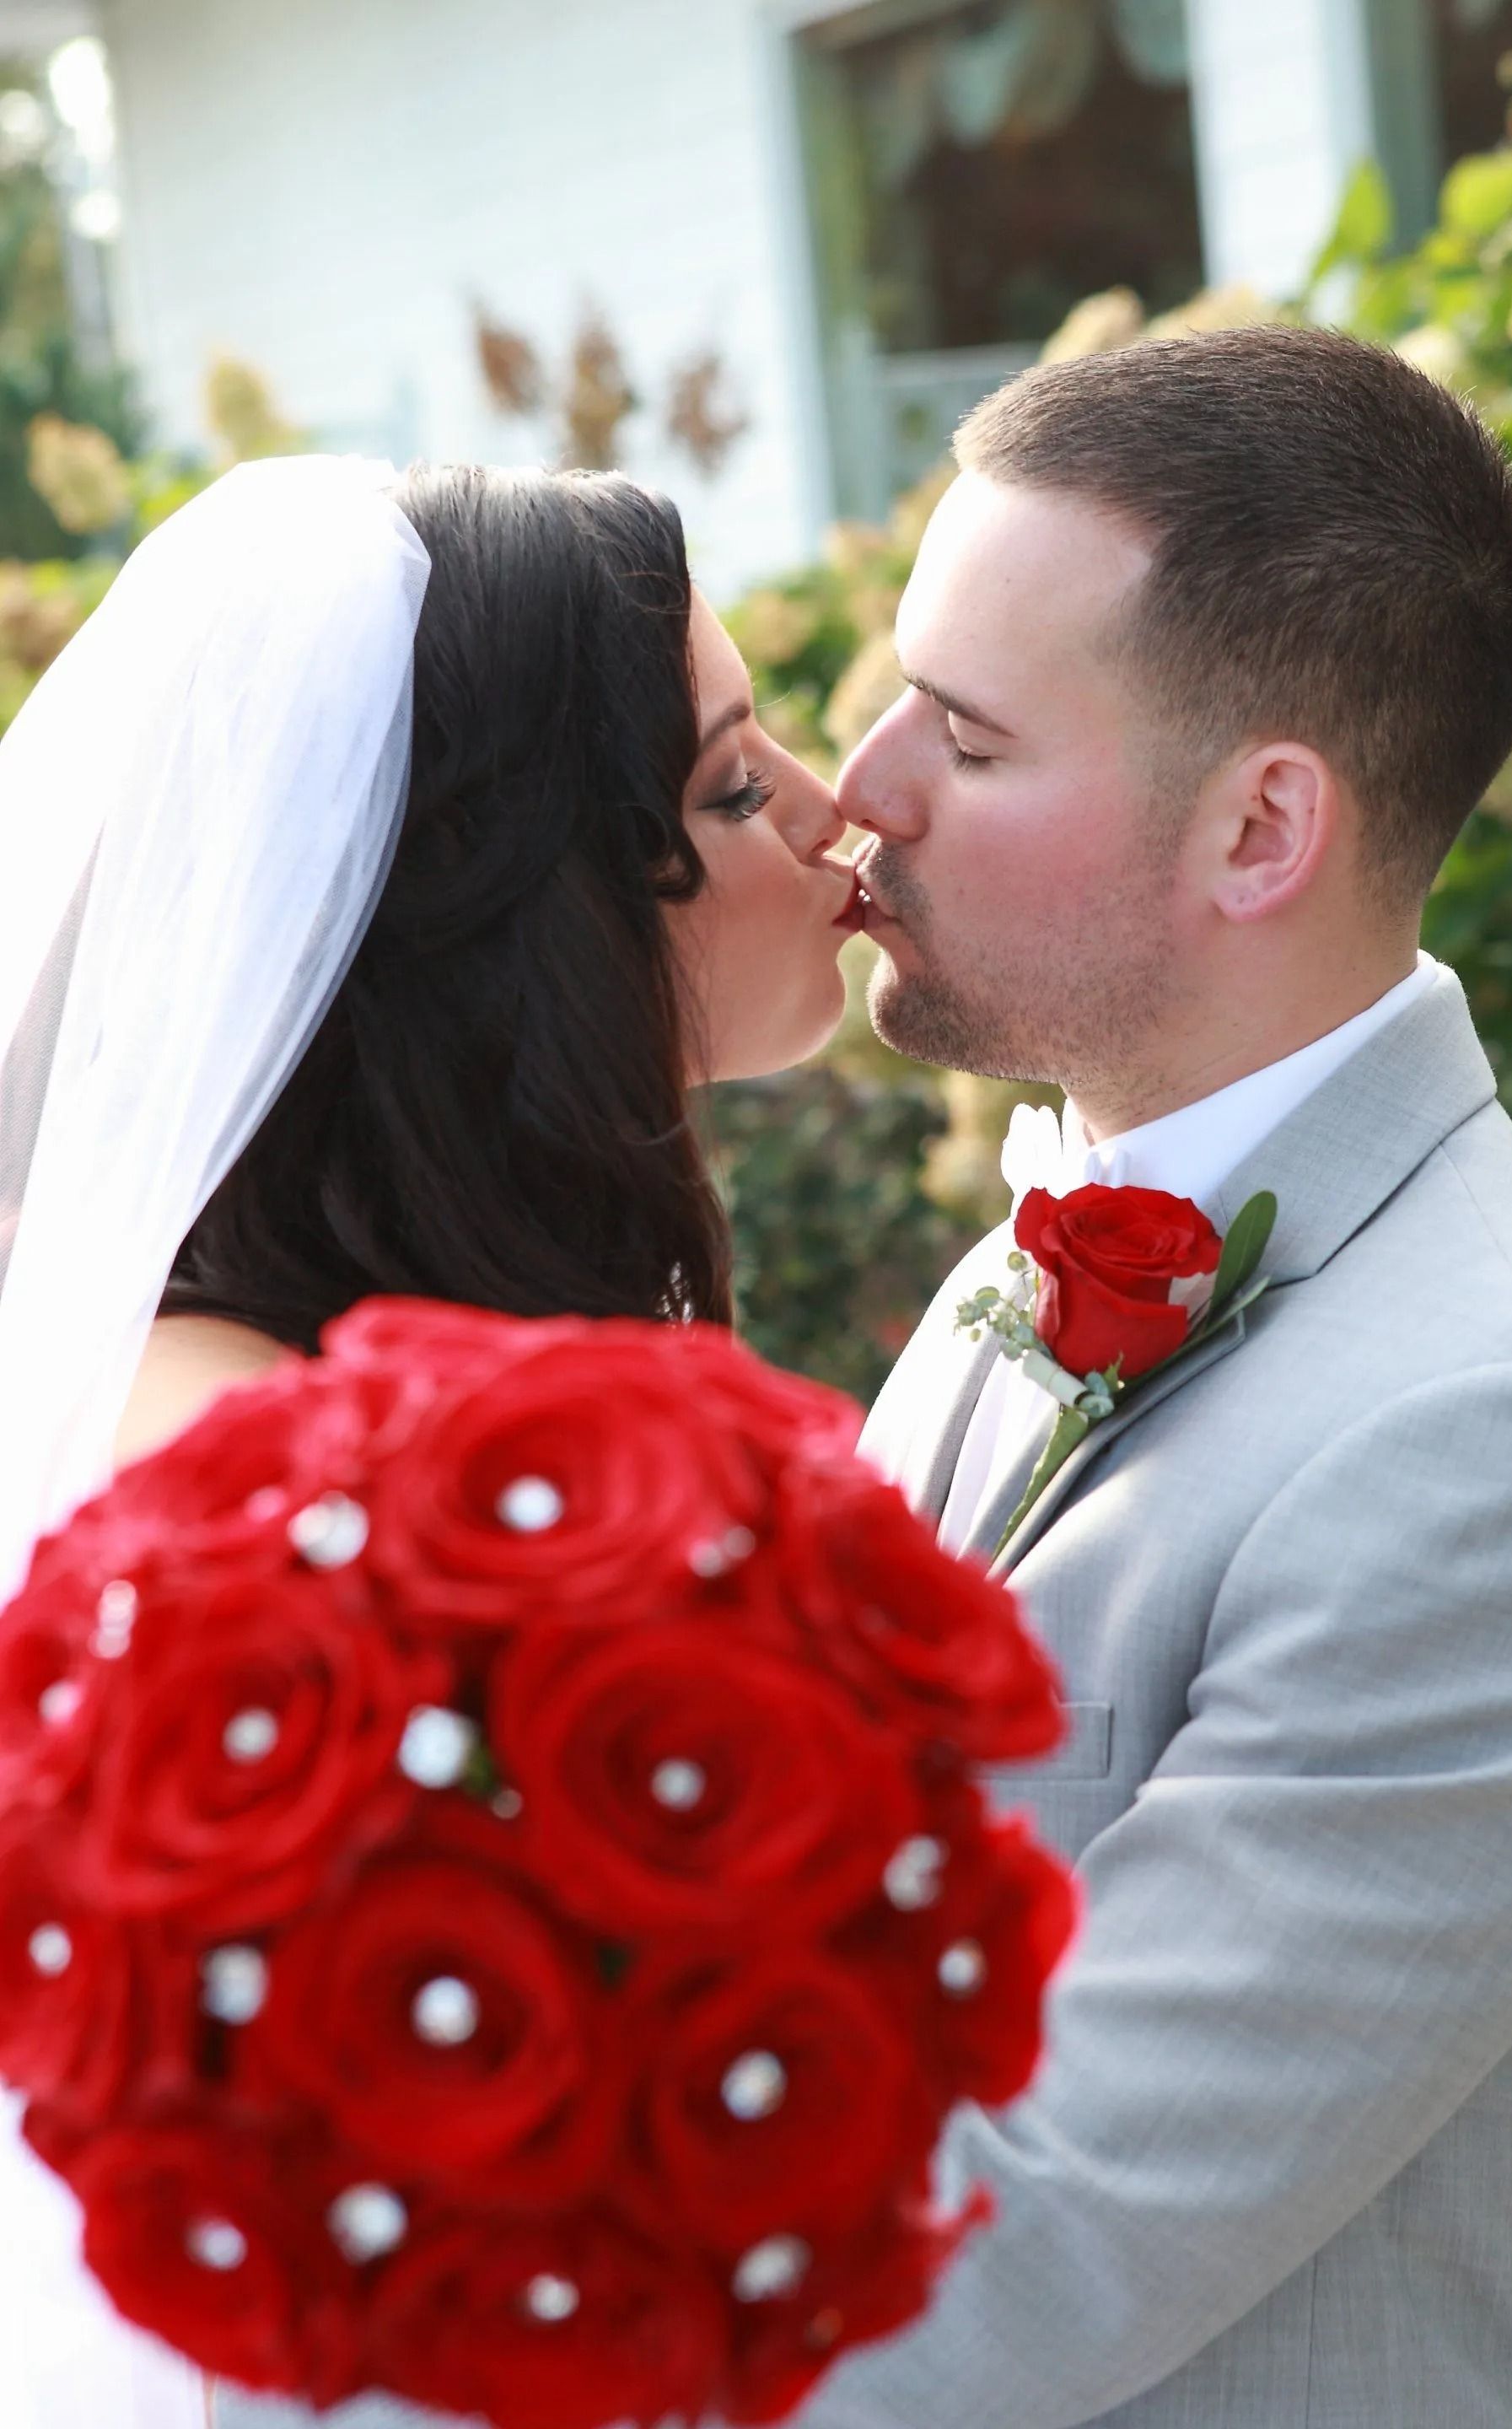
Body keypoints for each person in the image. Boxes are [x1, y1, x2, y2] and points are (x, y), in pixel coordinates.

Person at [794, 320, 1512, 2429]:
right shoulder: (1038, 1240)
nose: (857, 784)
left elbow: (1019, 2243)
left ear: (1262, 831)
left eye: (968, 741)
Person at [0, 453, 859, 2428]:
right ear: (515, 931)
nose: (836, 810)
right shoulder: (242, 1475)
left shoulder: (467, 1349)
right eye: (730, 789)